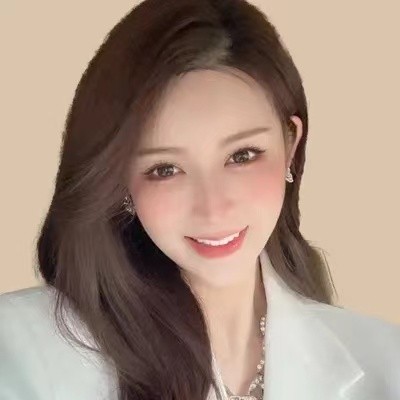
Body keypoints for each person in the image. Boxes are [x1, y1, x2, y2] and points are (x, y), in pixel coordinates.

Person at [0, 0, 399, 399]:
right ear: (119, 180)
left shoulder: (385, 360)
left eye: (242, 156)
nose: (213, 208)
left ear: (290, 147)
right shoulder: (20, 352)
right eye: (165, 169)